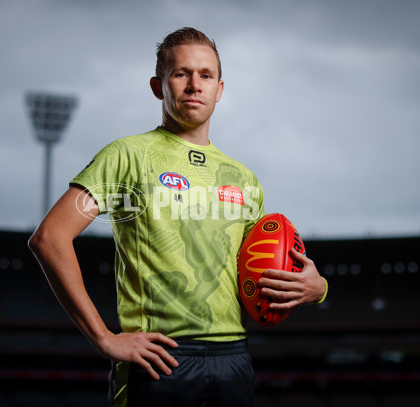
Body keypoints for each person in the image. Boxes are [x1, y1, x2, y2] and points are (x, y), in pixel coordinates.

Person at [28, 27, 328, 407]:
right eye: (181, 73)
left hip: (234, 358)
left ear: (220, 89)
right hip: (160, 357)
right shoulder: (126, 157)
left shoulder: (243, 178)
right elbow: (50, 237)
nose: (194, 85)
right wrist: (103, 337)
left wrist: (317, 288)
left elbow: (262, 269)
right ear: (158, 86)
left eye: (206, 75)